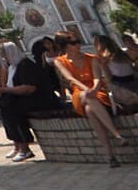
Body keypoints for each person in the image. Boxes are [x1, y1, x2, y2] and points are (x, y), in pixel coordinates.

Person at [51, 32, 125, 165]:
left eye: (78, 41)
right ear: (65, 46)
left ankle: (110, 156)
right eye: (73, 43)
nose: (78, 45)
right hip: (80, 93)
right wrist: (87, 90)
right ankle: (116, 134)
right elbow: (70, 79)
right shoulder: (60, 61)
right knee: (87, 97)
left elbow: (97, 77)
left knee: (91, 110)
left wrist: (95, 89)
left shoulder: (91, 58)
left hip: (97, 93)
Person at [0, 38, 69, 162]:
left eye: (5, 55)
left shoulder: (26, 65)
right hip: (27, 98)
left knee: (13, 110)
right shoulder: (14, 66)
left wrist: (6, 90)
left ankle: (25, 147)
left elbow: (29, 88)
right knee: (4, 105)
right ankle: (17, 144)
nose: (4, 59)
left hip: (40, 99)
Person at [94, 33, 138, 112]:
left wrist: (103, 83)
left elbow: (108, 77)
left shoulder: (103, 59)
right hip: (134, 83)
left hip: (122, 87)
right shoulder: (123, 54)